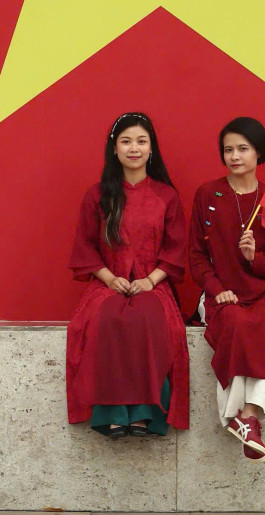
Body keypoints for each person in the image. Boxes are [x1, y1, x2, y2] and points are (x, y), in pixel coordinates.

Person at [66, 112, 189, 437]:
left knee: (147, 316)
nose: (134, 148)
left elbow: (176, 249)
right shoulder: (97, 196)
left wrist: (151, 280)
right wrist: (109, 278)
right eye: (126, 141)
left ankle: (145, 414)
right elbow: (86, 247)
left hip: (153, 283)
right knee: (108, 318)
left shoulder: (167, 196)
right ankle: (113, 414)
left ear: (151, 149)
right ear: (115, 149)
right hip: (107, 283)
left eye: (141, 141)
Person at [189, 116, 265, 462]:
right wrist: (216, 288)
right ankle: (242, 420)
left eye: (243, 149)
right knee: (236, 325)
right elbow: (196, 255)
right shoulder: (208, 194)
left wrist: (254, 258)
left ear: (258, 153)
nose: (235, 156)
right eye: (228, 150)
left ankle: (248, 416)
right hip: (223, 294)